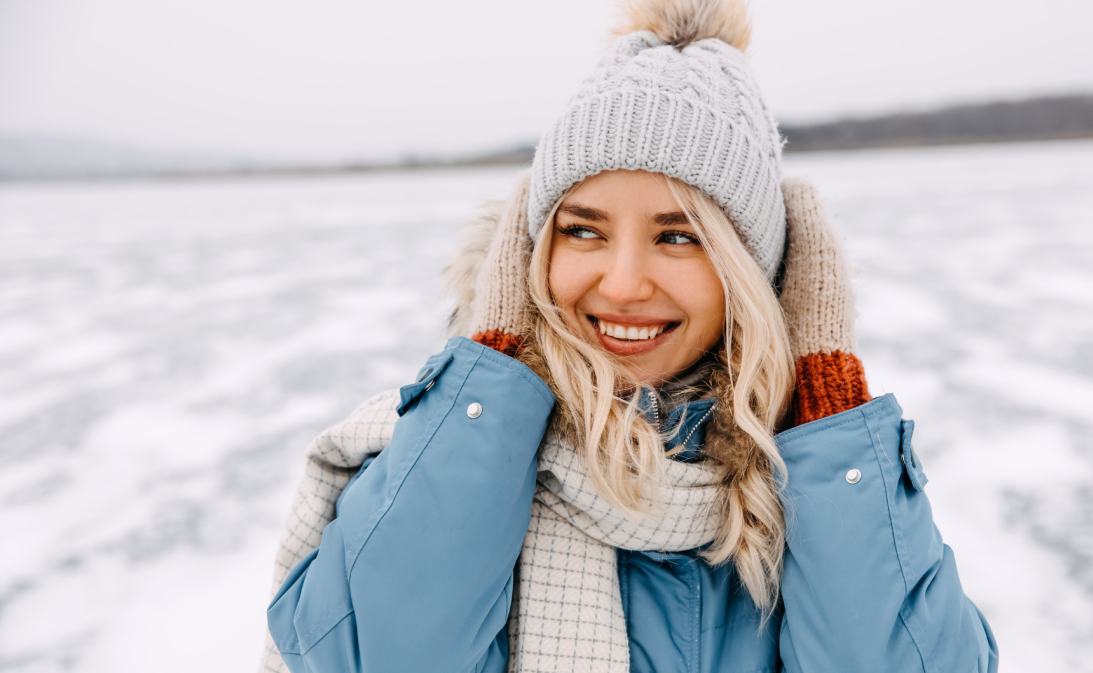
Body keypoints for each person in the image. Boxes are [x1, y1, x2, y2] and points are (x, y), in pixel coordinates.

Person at [260, 0, 999, 671]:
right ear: (528, 257)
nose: (619, 283)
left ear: (750, 272)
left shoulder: (815, 487)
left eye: (679, 238)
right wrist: (490, 373)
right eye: (582, 230)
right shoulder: (429, 451)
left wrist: (829, 403)